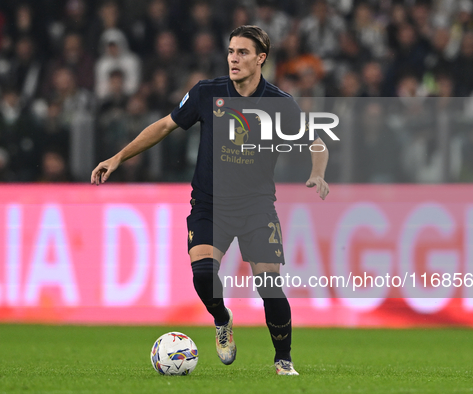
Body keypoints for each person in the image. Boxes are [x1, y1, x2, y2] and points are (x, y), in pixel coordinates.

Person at [91, 25, 330, 375]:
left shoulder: (280, 104)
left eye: (243, 52)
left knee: (270, 286)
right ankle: (222, 318)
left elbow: (316, 141)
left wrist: (318, 172)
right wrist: (118, 157)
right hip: (209, 204)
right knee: (204, 275)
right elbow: (164, 126)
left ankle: (283, 361)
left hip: (255, 208)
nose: (234, 58)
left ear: (261, 58)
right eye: (231, 51)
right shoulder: (207, 92)